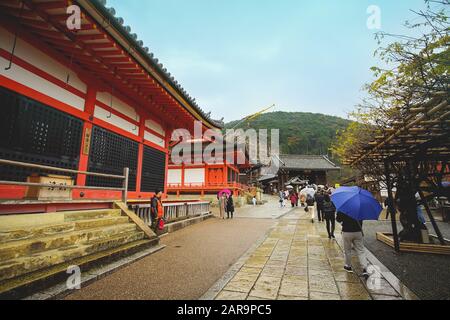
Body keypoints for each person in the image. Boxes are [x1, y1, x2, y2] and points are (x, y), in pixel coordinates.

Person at [336, 211, 369, 276]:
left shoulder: (343, 209)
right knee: (361, 251)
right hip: (358, 231)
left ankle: (348, 266)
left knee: (347, 250)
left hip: (347, 231)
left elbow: (338, 219)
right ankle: (364, 268)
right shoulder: (360, 209)